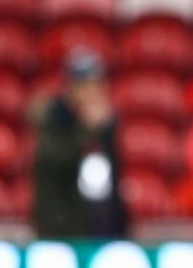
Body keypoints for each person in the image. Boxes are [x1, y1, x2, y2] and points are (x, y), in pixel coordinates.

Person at [31, 49, 128, 239]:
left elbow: (113, 177)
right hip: (61, 232)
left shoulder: (107, 126)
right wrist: (87, 130)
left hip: (102, 230)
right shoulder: (55, 119)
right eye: (85, 86)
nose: (92, 93)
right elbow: (54, 160)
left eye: (97, 86)